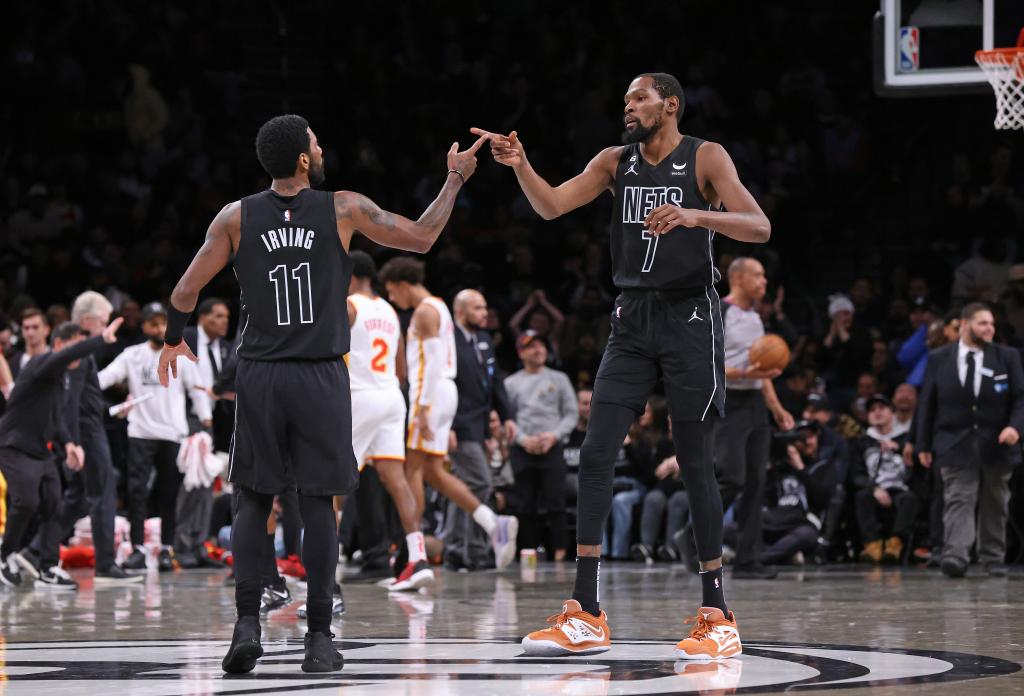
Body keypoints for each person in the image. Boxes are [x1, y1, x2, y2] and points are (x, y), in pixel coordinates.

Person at [156, 114, 484, 674]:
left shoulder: (235, 217)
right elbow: (423, 237)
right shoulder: (344, 207)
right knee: (317, 508)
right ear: (305, 158)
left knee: (253, 501)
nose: (322, 145)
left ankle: (245, 627)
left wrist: (171, 340)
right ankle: (318, 639)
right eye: (316, 141)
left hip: (258, 375)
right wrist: (454, 179)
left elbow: (185, 291)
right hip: (321, 376)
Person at [474, 70, 771, 659]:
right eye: (626, 99)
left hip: (690, 317)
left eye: (640, 97)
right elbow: (554, 205)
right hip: (632, 317)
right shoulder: (616, 161)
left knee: (694, 461)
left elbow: (758, 225)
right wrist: (520, 167)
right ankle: (585, 612)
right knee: (595, 451)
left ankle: (718, 614)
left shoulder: (704, 157)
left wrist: (695, 216)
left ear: (671, 104)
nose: (629, 106)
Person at [378, 256, 519, 571]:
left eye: (391, 291)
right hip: (445, 392)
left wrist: (424, 408)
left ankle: (415, 557)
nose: (392, 298)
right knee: (433, 472)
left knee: (410, 471)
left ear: (403, 284)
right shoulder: (439, 306)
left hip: (430, 393)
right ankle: (491, 522)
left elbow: (431, 361)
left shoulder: (425, 311)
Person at [0, 319, 123, 588]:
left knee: (53, 504)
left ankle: (47, 567)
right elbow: (69, 353)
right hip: (15, 446)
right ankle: (4, 553)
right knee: (27, 502)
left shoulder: (60, 380)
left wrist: (69, 444)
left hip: (40, 452)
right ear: (57, 345)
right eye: (74, 348)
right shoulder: (40, 364)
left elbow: (57, 419)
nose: (79, 356)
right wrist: (100, 339)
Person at [99, 302, 212, 572]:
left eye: (163, 323)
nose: (159, 328)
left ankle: (166, 548)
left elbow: (196, 390)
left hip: (172, 432)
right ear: (144, 326)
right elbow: (105, 377)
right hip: (140, 431)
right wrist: (84, 385)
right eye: (154, 323)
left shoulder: (180, 355)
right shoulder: (132, 355)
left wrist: (205, 417)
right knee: (137, 492)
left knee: (169, 493)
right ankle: (138, 548)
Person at [916, 302, 1024, 578]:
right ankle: (956, 554)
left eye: (991, 323)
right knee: (958, 498)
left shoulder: (1007, 356)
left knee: (995, 500)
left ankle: (992, 556)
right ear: (964, 325)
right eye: (983, 323)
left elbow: (1020, 399)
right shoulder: (940, 358)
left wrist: (1015, 428)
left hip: (997, 442)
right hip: (954, 440)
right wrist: (922, 444)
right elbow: (928, 403)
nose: (990, 328)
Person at [39, 292, 141, 584]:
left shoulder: (81, 354)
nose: (107, 326)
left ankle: (36, 550)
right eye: (104, 321)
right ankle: (106, 564)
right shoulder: (79, 353)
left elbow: (84, 400)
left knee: (78, 499)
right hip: (86, 432)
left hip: (89, 426)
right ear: (87, 321)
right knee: (104, 494)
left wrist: (113, 411)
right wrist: (72, 441)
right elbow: (69, 402)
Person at [345, 250, 430, 592]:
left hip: (360, 395)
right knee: (396, 479)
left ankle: (321, 574)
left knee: (334, 479)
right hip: (392, 396)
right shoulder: (391, 311)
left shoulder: (348, 306)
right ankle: (418, 556)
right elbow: (401, 368)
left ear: (348, 276)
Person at [716, 257, 794, 580]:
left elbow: (763, 375)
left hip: (755, 404)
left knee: (756, 483)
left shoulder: (756, 319)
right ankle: (693, 534)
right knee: (733, 477)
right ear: (739, 277)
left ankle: (748, 561)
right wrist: (743, 372)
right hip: (728, 400)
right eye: (758, 276)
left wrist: (777, 409)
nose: (764, 282)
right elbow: (705, 363)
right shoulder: (718, 311)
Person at [447, 288, 516, 571]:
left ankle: (464, 550)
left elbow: (495, 381)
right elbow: (444, 383)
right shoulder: (448, 340)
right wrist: (447, 425)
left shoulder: (485, 339)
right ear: (460, 311)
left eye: (485, 307)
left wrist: (507, 416)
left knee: (467, 486)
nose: (484, 313)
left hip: (479, 423)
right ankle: (464, 548)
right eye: (477, 308)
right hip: (458, 422)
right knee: (479, 482)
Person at [504, 331, 578, 560]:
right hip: (523, 448)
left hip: (551, 447)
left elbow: (571, 414)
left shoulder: (559, 379)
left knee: (555, 502)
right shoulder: (511, 383)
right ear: (521, 352)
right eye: (531, 347)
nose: (539, 350)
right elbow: (508, 418)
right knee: (525, 504)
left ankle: (560, 552)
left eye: (542, 346)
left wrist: (554, 436)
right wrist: (522, 439)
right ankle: (529, 551)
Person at [760, 420, 837, 566]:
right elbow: (767, 499)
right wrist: (771, 469)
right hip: (775, 522)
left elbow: (822, 498)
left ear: (817, 439)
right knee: (732, 530)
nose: (806, 441)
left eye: (810, 437)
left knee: (806, 535)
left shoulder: (824, 467)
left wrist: (800, 468)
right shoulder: (781, 467)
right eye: (801, 438)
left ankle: (761, 558)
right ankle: (784, 555)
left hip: (801, 524)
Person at [852, 395, 916, 564]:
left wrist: (900, 448)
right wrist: (874, 488)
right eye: (872, 410)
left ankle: (895, 544)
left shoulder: (906, 438)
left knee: (909, 499)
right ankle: (873, 545)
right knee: (862, 496)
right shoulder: (862, 442)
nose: (877, 412)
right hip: (875, 489)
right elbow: (855, 475)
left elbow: (918, 467)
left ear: (892, 413)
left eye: (882, 408)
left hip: (900, 488)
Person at [9, 308, 50, 379]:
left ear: (46, 330)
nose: (30, 333)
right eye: (26, 328)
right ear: (22, 331)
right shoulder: (13, 363)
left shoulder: (57, 357)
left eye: (35, 327)